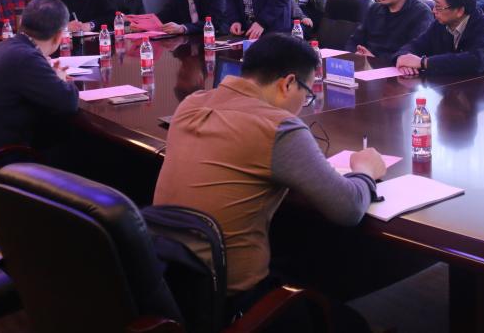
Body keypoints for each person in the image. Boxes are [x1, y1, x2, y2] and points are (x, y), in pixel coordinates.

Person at [153, 34, 385, 327]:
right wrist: (364, 171)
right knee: (352, 322)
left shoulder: (191, 104)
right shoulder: (278, 127)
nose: (304, 104)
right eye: (307, 93)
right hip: (232, 302)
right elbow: (348, 208)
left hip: (171, 279)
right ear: (288, 83)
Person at [0, 0, 78, 156]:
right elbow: (68, 102)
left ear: (22, 23)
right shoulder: (26, 57)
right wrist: (60, 79)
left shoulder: (6, 46)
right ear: (59, 35)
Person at [348, 0, 432, 60]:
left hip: (395, 67)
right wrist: (356, 54)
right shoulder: (374, 9)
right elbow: (353, 41)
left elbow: (414, 52)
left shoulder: (421, 13)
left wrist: (375, 60)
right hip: (366, 65)